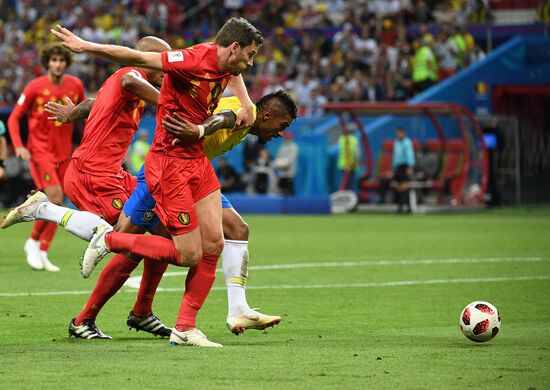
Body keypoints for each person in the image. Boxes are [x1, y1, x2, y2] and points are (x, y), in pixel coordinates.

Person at [2, 90, 297, 343]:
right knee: (127, 242)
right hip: (155, 173)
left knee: (233, 229)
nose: (279, 133)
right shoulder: (136, 79)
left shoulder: (243, 112)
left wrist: (75, 110)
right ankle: (83, 309)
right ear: (268, 114)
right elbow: (223, 116)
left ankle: (230, 309)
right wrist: (200, 128)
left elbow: (101, 100)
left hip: (190, 174)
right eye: (281, 125)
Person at [51, 18, 263, 347]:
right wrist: (88, 46)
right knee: (185, 253)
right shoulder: (184, 62)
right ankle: (107, 243)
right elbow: (134, 60)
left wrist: (246, 103)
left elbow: (231, 73)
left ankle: (182, 326)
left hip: (195, 161)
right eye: (249, 55)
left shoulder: (225, 63)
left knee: (215, 244)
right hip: (164, 164)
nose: (251, 63)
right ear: (233, 48)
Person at [7, 43, 86, 272]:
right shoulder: (35, 86)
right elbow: (14, 117)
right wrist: (19, 145)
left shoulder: (75, 85)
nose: (58, 64)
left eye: (61, 60)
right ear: (47, 63)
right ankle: (33, 242)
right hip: (40, 151)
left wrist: (90, 141)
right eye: (53, 60)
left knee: (55, 202)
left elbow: (85, 114)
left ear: (66, 63)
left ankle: (42, 251)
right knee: (55, 198)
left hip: (65, 153)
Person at [380, 127, 415, 213]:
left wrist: (410, 167)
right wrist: (392, 170)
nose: (398, 134)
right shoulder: (396, 142)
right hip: (397, 167)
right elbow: (395, 157)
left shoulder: (407, 142)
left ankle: (408, 207)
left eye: (399, 133)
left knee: (404, 187)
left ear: (403, 133)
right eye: (397, 133)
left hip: (405, 167)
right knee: (397, 186)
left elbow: (410, 155)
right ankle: (400, 207)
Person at [274, 131, 298, 195]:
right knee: (282, 191)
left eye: (288, 137)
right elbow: (277, 158)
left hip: (289, 173)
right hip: (282, 173)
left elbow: (291, 160)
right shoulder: (282, 147)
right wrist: (278, 164)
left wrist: (283, 164)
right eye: (286, 137)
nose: (287, 139)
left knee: (289, 191)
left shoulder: (294, 147)